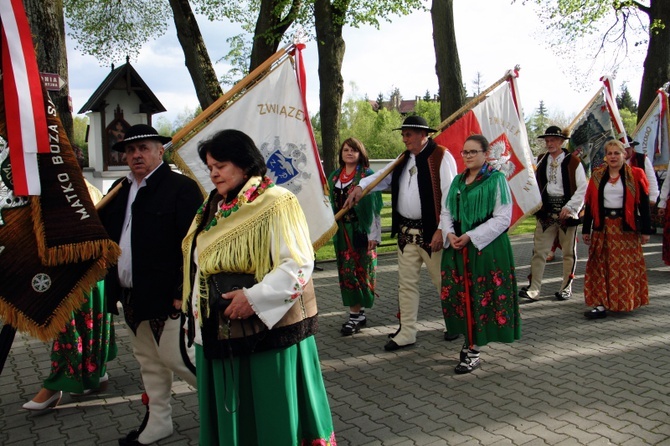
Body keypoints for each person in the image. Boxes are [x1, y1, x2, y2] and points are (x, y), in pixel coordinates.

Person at [182, 129, 336, 445]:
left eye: (220, 165)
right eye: (209, 167)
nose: (213, 174)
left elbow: (297, 264)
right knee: (237, 420)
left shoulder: (276, 201)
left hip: (266, 332)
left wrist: (253, 298)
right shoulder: (212, 207)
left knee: (272, 415)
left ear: (244, 163)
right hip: (220, 331)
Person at [97, 124, 201, 445]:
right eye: (130, 150)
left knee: (178, 359)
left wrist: (180, 292)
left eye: (144, 147)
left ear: (160, 150)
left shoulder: (181, 188)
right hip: (130, 295)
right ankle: (159, 421)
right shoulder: (118, 189)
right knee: (148, 361)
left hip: (168, 296)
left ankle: (231, 407)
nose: (136, 155)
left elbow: (193, 245)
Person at [345, 115, 458, 351]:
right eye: (403, 134)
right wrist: (360, 187)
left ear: (422, 134)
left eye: (408, 134)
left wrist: (441, 229)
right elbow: (381, 177)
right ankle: (407, 331)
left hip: (432, 235)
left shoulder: (441, 156)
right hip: (407, 235)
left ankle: (454, 323)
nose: (404, 139)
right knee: (406, 285)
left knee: (442, 282)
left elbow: (450, 196)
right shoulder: (403, 158)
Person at [22, 181, 116, 410]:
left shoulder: (74, 187)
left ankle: (59, 384)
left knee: (78, 326)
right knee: (77, 325)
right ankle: (94, 375)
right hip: (70, 270)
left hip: (85, 270)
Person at [439, 135, 521, 374]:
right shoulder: (457, 181)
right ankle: (469, 340)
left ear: (486, 154)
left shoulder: (496, 180)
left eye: (473, 152)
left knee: (480, 295)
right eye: (465, 152)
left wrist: (471, 236)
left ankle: (474, 349)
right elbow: (446, 212)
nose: (468, 156)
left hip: (486, 249)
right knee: (461, 295)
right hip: (458, 247)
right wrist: (450, 233)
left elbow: (503, 218)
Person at [582, 139, 651, 319]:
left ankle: (623, 302)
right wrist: (585, 229)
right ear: (605, 156)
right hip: (602, 228)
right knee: (600, 266)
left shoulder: (635, 174)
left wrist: (646, 231)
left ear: (624, 155)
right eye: (610, 153)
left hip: (625, 228)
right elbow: (590, 205)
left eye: (616, 153)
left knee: (623, 267)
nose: (613, 157)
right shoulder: (597, 175)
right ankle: (600, 304)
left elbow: (643, 205)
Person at [519, 126, 587, 302]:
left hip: (567, 212)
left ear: (561, 141)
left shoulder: (574, 162)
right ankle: (534, 289)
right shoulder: (540, 160)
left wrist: (571, 207)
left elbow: (583, 188)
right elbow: (529, 178)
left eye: (553, 140)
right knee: (539, 251)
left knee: (568, 253)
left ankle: (566, 288)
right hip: (546, 212)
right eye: (547, 141)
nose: (549, 144)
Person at [328, 138, 383, 336]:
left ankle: (356, 315)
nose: (349, 153)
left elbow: (375, 208)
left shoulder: (367, 176)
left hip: (362, 230)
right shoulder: (334, 177)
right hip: (343, 231)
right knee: (346, 272)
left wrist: (373, 234)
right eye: (346, 150)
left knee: (362, 270)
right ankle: (356, 315)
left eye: (353, 150)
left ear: (360, 153)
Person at [625, 135, 659, 204]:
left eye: (627, 148)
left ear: (632, 147)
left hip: (640, 198)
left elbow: (651, 178)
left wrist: (653, 197)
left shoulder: (642, 159)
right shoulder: (614, 160)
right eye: (622, 148)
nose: (625, 150)